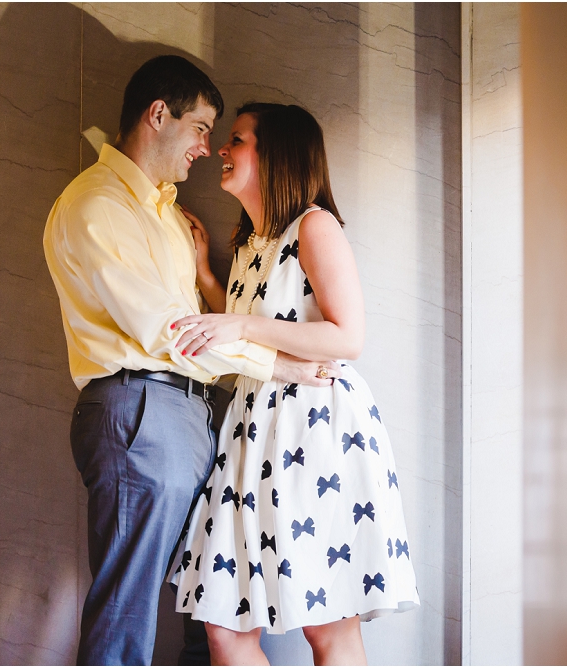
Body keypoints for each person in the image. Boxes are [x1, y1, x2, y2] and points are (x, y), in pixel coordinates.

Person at [42, 56, 334, 666]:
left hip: (196, 413)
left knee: (217, 604)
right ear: (158, 115)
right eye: (201, 127)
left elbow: (202, 317)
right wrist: (280, 367)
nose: (207, 147)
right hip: (141, 407)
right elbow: (169, 332)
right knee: (127, 606)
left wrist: (204, 274)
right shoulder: (98, 207)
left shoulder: (167, 213)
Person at [169, 103, 419, 665]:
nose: (221, 152)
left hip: (315, 430)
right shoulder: (248, 242)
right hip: (253, 432)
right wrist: (210, 281)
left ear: (276, 152)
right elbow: (245, 331)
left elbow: (347, 336)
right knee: (224, 629)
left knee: (328, 627)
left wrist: (239, 322)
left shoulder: (314, 225)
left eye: (236, 139)